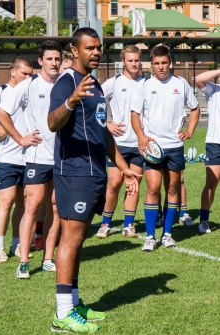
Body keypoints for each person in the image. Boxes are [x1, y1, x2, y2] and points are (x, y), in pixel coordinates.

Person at [48, 27, 140, 334]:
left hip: (94, 173)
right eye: (90, 48)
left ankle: (73, 303)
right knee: (70, 239)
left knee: (79, 240)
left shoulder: (95, 84)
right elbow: (52, 122)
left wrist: (124, 167)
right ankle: (62, 314)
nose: (96, 52)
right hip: (74, 172)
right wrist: (71, 100)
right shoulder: (67, 82)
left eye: (99, 47)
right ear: (75, 51)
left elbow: (102, 132)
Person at [0, 40, 62, 277]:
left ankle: (48, 258)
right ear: (40, 62)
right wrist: (20, 138)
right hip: (36, 157)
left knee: (54, 207)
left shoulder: (66, 84)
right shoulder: (29, 85)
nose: (54, 63)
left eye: (57, 58)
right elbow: (0, 113)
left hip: (62, 158)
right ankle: (23, 261)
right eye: (50, 59)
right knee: (32, 206)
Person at [131, 45, 200, 252]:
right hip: (153, 147)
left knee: (172, 188)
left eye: (164, 63)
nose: (161, 67)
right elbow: (135, 114)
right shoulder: (144, 85)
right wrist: (141, 136)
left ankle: (167, 234)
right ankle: (151, 236)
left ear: (170, 63)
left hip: (175, 147)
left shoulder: (181, 83)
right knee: (153, 187)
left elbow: (195, 107)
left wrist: (189, 131)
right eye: (156, 63)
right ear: (151, 65)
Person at [96, 45, 144, 239]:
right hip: (117, 143)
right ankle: (105, 223)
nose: (134, 64)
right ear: (123, 62)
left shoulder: (147, 83)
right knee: (114, 184)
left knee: (133, 184)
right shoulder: (113, 82)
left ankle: (129, 224)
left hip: (140, 144)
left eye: (137, 60)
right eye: (130, 60)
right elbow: (94, 103)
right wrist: (107, 124)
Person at [0, 57, 33, 263]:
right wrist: (0, 131)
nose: (28, 77)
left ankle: (17, 244)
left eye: (30, 74)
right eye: (24, 73)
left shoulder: (31, 92)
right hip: (5, 157)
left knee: (23, 204)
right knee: (5, 202)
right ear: (13, 71)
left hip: (29, 158)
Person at [195, 68, 220, 233]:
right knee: (212, 182)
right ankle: (203, 220)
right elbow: (198, 79)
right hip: (215, 143)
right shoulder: (214, 90)